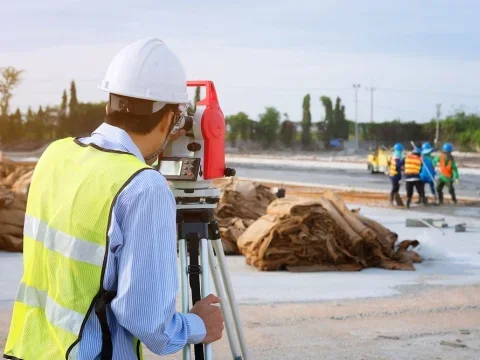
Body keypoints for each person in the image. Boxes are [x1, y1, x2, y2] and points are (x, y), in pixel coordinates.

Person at [3, 38, 224, 360]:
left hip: (30, 349)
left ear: (109, 104)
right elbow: (150, 323)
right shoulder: (143, 187)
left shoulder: (56, 154)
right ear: (171, 118)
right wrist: (197, 325)